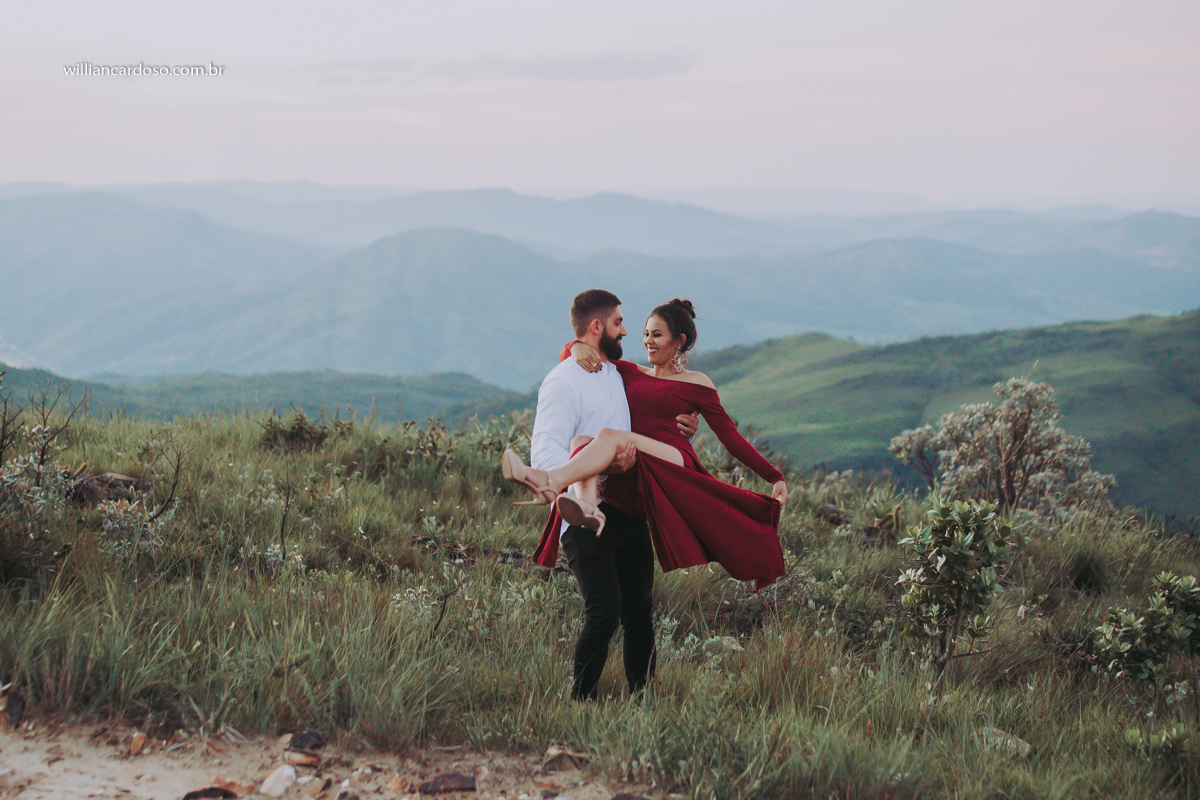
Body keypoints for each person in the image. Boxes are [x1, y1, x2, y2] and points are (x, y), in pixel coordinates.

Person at [504, 298, 789, 675]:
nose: (647, 342)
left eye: (657, 335)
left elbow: (731, 438)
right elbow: (587, 347)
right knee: (581, 442)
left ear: (679, 341)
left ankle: (549, 483)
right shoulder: (628, 371)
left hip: (672, 462)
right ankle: (586, 508)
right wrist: (573, 347)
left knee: (605, 435)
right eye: (644, 334)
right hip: (636, 471)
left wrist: (774, 476)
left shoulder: (697, 384)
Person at [511, 289, 699, 702]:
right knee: (604, 610)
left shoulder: (618, 373)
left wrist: (686, 422)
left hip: (630, 510)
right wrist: (601, 467)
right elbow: (545, 452)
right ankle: (582, 703)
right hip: (581, 511)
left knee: (639, 612)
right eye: (618, 323)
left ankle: (643, 702)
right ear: (596, 327)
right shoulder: (562, 381)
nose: (627, 331)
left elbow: (657, 405)